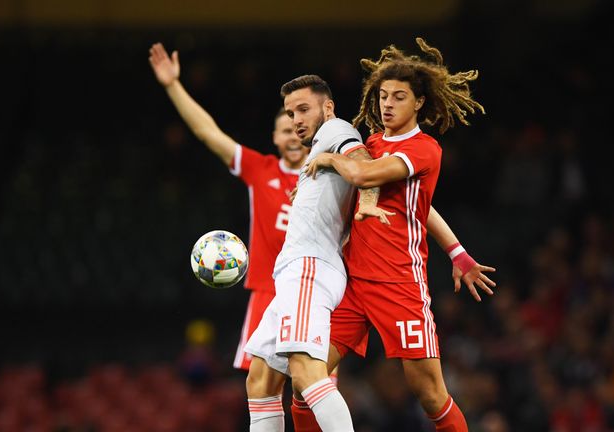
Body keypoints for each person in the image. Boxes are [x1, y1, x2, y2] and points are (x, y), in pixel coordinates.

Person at [303, 37, 493, 431]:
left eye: (399, 97)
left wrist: (327, 157)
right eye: (383, 96)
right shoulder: (369, 142)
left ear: (419, 102)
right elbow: (421, 207)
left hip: (399, 283)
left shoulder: (425, 149)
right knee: (306, 378)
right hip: (352, 284)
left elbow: (364, 175)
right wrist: (457, 251)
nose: (387, 104)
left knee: (429, 394)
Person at [243, 74, 393, 432]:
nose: (296, 120)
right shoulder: (318, 152)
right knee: (260, 379)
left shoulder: (336, 129)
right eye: (291, 112)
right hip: (294, 273)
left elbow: (363, 162)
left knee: (306, 370)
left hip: (311, 267)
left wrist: (368, 201)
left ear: (327, 108)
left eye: (303, 109)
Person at [148, 43, 309, 371]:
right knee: (261, 387)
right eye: (284, 130)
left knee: (316, 387)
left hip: (314, 291)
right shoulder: (260, 169)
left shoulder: (330, 175)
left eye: (298, 129)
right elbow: (207, 132)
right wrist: (173, 85)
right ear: (275, 138)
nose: (292, 136)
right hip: (267, 289)